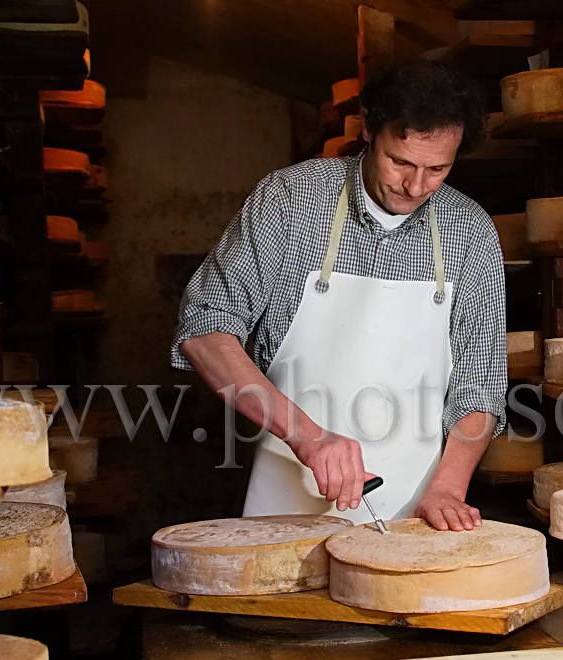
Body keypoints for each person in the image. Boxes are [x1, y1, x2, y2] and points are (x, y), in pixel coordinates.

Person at [170, 61, 507, 532]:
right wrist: (308, 437)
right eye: (401, 162)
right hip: (289, 487)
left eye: (438, 170)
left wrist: (448, 489)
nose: (415, 187)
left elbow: (481, 381)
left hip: (417, 501)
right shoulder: (291, 199)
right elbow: (205, 331)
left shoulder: (469, 229)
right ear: (368, 127)